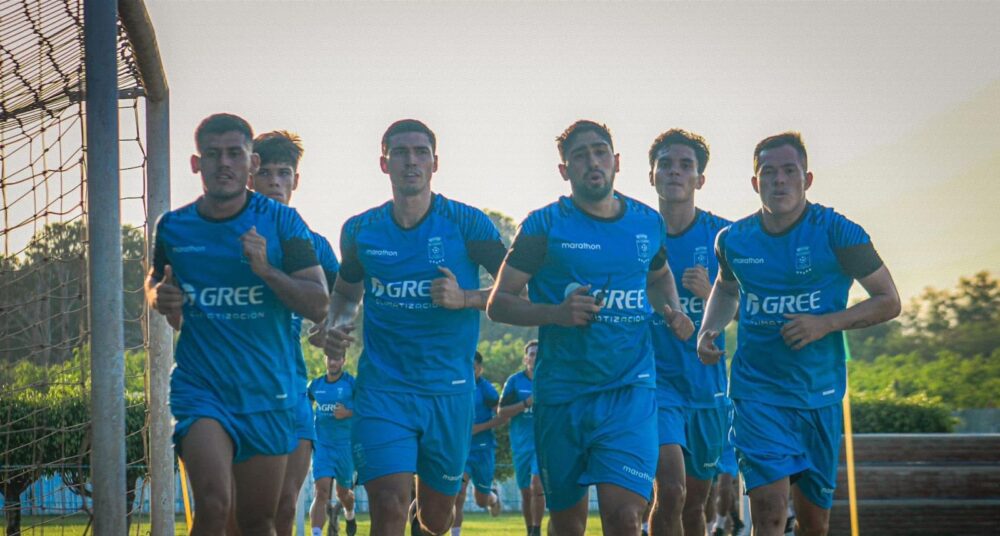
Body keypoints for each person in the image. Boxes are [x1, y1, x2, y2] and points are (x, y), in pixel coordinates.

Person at [486, 120, 694, 536]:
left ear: (617, 162)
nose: (592, 162)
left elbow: (658, 276)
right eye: (580, 156)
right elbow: (498, 303)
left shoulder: (646, 223)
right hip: (563, 395)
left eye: (600, 152)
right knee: (567, 522)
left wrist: (672, 311)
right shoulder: (543, 226)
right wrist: (556, 314)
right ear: (565, 170)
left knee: (626, 518)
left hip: (629, 392)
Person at [697, 132, 901, 536]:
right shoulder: (733, 241)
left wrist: (824, 323)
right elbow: (725, 286)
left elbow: (888, 300)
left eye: (789, 171)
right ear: (756, 183)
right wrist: (709, 328)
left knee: (815, 524)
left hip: (819, 396)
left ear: (807, 179)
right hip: (757, 394)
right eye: (768, 173)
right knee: (770, 515)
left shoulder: (840, 233)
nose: (779, 181)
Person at [318, 119, 507, 536]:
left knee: (436, 519)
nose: (411, 161)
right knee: (388, 506)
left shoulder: (467, 224)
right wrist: (336, 324)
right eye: (400, 152)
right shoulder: (360, 231)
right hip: (384, 389)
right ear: (384, 163)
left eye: (420, 152)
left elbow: (518, 291)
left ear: (435, 162)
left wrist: (466, 298)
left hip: (449, 393)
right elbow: (347, 296)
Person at [145, 113, 329, 535]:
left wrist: (266, 269)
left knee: (258, 521)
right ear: (196, 164)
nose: (223, 163)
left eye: (234, 153)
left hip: (268, 390)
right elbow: (156, 279)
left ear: (251, 162)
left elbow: (319, 302)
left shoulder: (283, 223)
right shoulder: (173, 227)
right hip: (202, 388)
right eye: (212, 154)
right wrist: (158, 295)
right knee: (213, 504)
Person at [249, 130, 342, 536]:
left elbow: (343, 304)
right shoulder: (232, 235)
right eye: (265, 172)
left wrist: (329, 332)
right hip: (237, 388)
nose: (274, 182)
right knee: (240, 511)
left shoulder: (314, 245)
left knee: (287, 505)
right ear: (250, 176)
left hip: (291, 388)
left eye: (283, 173)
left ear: (296, 180)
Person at [645, 129, 734, 536]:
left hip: (706, 385)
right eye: (665, 163)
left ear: (700, 179)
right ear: (651, 175)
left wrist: (712, 293)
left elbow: (760, 307)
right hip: (653, 383)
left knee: (696, 503)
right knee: (672, 491)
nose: (674, 172)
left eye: (685, 165)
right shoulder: (635, 232)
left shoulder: (727, 238)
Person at [451, 352, 505, 535]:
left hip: (483, 450)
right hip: (462, 450)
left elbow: (502, 416)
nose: (468, 371)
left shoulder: (487, 390)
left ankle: (492, 497)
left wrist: (479, 427)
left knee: (481, 500)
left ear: (480, 369)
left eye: (472, 368)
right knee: (458, 493)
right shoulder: (456, 386)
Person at [498, 340, 545, 536]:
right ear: (526, 358)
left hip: (543, 443)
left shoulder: (550, 379)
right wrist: (526, 402)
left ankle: (537, 530)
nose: (534, 356)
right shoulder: (515, 381)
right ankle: (530, 530)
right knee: (526, 492)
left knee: (537, 484)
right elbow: (502, 412)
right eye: (531, 354)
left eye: (538, 353)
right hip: (521, 444)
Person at [308, 352, 358, 536]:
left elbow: (367, 406)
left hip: (345, 447)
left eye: (336, 358)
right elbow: (304, 404)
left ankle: (350, 514)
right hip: (323, 447)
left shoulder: (351, 384)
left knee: (343, 494)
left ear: (343, 360)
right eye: (330, 358)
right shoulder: (315, 385)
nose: (333, 362)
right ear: (325, 359)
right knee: (321, 492)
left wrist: (347, 413)